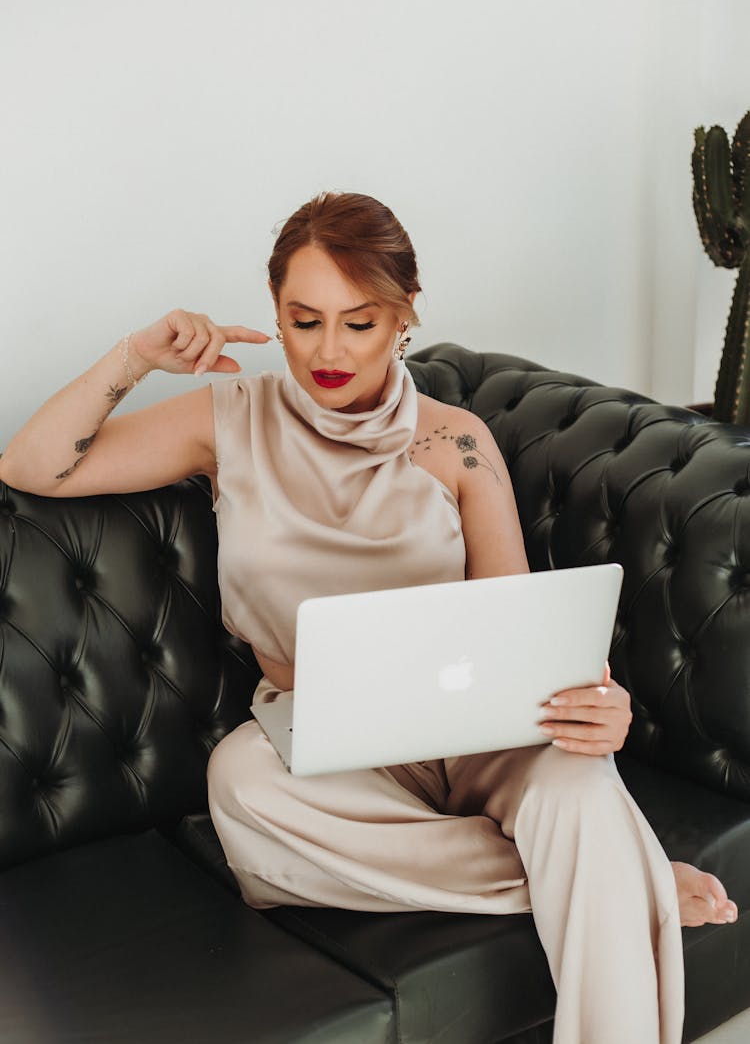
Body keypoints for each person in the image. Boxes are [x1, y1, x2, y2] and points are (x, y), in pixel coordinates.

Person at [0, 192, 737, 1044]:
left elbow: (523, 627)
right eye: (304, 320)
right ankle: (618, 875)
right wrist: (134, 356)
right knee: (238, 786)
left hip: (479, 733)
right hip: (324, 742)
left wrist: (596, 703)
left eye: (360, 321)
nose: (329, 350)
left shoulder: (456, 441)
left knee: (577, 784)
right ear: (275, 314)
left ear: (403, 319)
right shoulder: (227, 420)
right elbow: (35, 464)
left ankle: (597, 867)